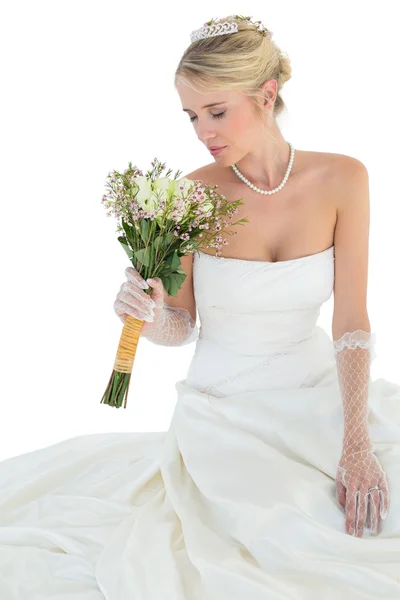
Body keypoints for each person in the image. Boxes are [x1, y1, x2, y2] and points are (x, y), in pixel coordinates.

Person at [0, 14, 399, 600]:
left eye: (216, 112)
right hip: (224, 411)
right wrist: (145, 311)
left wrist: (356, 439)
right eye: (191, 116)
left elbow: (351, 320)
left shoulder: (343, 178)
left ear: (268, 95)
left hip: (320, 395)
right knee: (278, 533)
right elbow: (180, 328)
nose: (201, 131)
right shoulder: (191, 193)